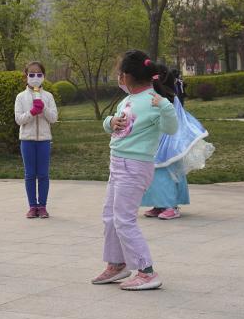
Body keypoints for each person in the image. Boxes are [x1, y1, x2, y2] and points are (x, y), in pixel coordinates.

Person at [91, 50, 178, 291]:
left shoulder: (154, 100)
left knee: (124, 219)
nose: (118, 78)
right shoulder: (128, 99)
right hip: (117, 163)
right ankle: (117, 264)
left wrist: (166, 107)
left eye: (120, 74)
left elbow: (171, 128)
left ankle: (146, 271)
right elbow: (118, 125)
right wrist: (110, 123)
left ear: (127, 76)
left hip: (135, 166)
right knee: (109, 216)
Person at [142, 68, 214, 220]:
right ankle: (159, 204)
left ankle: (171, 206)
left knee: (166, 173)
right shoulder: (163, 97)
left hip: (169, 143)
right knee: (155, 174)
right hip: (159, 142)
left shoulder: (167, 99)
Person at [14, 61, 58, 219]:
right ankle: (32, 206)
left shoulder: (48, 96)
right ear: (25, 76)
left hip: (44, 140)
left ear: (44, 76)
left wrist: (43, 108)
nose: (35, 77)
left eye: (39, 74)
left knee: (43, 174)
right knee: (30, 174)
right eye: (31, 74)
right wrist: (32, 112)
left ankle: (43, 206)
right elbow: (19, 119)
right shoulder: (21, 97)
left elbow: (53, 118)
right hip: (27, 140)